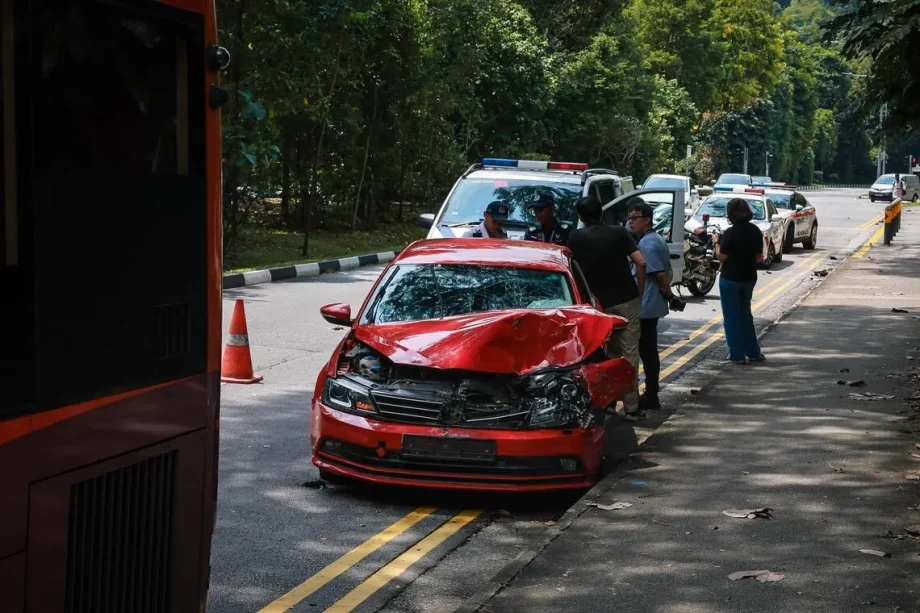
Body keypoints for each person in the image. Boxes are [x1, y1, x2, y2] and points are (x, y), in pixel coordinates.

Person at [567, 195, 648, 421]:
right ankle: (631, 407)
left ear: (581, 217)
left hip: (597, 305)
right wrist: (639, 292)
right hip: (626, 299)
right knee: (629, 351)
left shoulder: (574, 238)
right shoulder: (619, 233)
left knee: (608, 353)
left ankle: (609, 401)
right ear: (601, 213)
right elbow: (641, 262)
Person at [627, 201, 675, 411]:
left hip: (646, 306)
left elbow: (659, 274)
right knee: (648, 351)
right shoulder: (652, 239)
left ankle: (651, 394)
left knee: (646, 352)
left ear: (647, 219)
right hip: (649, 305)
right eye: (629, 218)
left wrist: (669, 295)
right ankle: (650, 393)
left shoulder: (647, 243)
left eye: (635, 218)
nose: (631, 222)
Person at [711, 198, 766, 364]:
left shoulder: (730, 233)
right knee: (745, 315)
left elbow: (721, 257)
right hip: (749, 277)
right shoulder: (755, 231)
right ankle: (753, 352)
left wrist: (716, 243)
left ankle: (736, 354)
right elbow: (758, 257)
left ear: (730, 215)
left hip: (730, 278)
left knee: (732, 317)